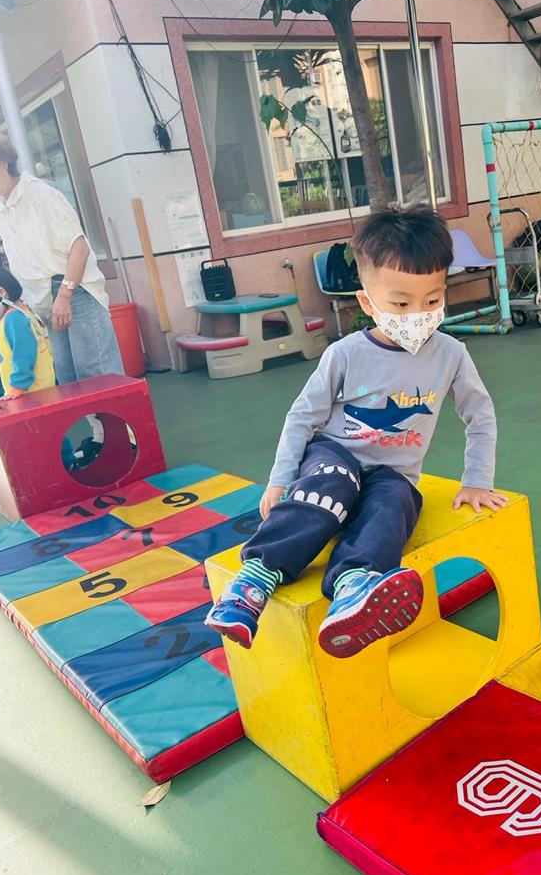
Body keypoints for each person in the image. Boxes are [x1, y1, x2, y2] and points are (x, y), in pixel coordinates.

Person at [207, 203, 505, 658]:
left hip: (392, 472)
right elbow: (302, 417)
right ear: (367, 302)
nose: (418, 314)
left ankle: (353, 586)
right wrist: (281, 479)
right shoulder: (345, 354)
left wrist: (477, 480)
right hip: (335, 454)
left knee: (395, 504)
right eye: (401, 303)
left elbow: (480, 416)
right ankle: (254, 581)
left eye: (432, 301)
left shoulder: (451, 354)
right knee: (333, 485)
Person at [0, 131, 123, 384]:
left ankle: (118, 415)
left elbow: (79, 247)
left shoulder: (40, 195)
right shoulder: (1, 207)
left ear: (3, 162)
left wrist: (65, 295)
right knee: (68, 381)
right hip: (43, 301)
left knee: (97, 377)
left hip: (72, 291)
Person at [0, 264, 55, 399]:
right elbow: (13, 346)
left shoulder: (13, 319)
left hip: (32, 393)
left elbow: (24, 353)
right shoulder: (22, 312)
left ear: (1, 292)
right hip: (37, 390)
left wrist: (17, 387)